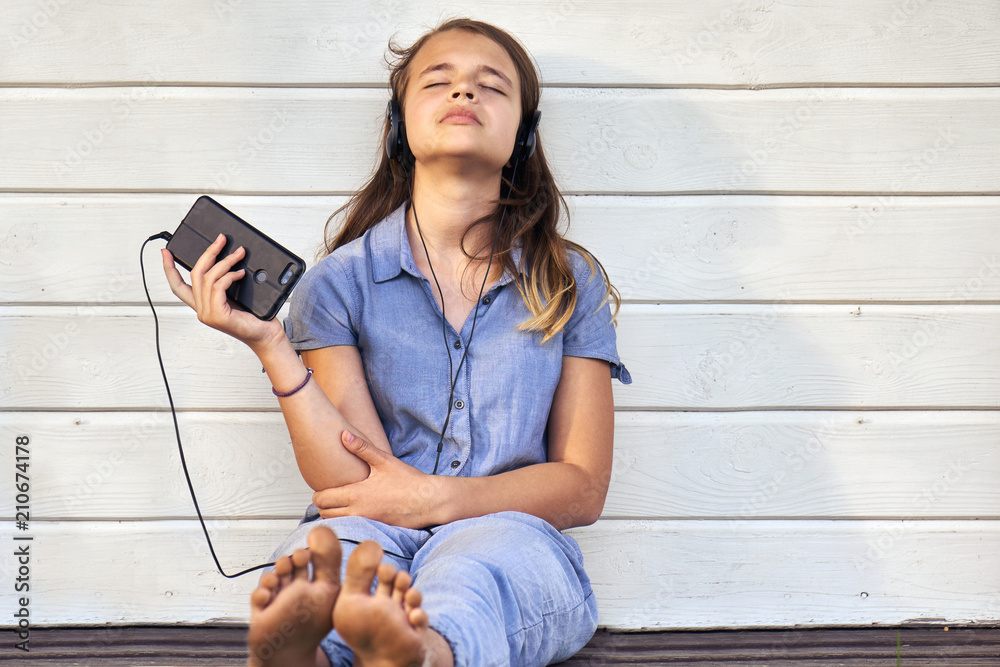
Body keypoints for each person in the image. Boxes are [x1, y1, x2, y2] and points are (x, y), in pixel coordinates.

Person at [162, 17, 631, 667]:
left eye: (489, 86)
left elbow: (582, 487)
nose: (463, 93)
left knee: (477, 568)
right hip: (370, 520)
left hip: (510, 533)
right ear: (398, 125)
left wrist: (440, 499)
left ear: (522, 132)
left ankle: (419, 650)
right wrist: (271, 344)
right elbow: (357, 476)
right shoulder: (337, 284)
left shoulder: (567, 282)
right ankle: (311, 651)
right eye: (439, 81)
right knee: (336, 551)